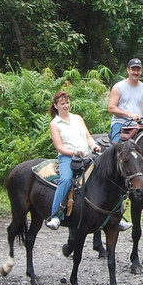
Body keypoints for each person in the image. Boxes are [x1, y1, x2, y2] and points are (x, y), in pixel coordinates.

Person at [45, 91, 105, 230]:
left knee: (105, 173)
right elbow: (59, 146)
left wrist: (94, 146)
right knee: (66, 179)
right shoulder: (55, 124)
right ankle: (55, 215)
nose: (66, 106)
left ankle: (114, 215)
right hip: (68, 157)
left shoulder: (77, 118)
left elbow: (88, 136)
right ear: (56, 106)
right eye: (62, 103)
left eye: (67, 102)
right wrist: (74, 152)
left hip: (86, 154)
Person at [108, 58, 143, 143]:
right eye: (133, 70)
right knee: (118, 147)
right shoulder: (118, 87)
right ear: (128, 70)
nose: (136, 72)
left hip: (138, 125)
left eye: (138, 70)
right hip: (120, 123)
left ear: (141, 71)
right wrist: (129, 114)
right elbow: (111, 108)